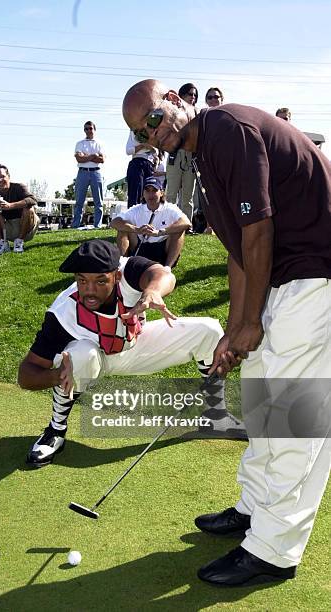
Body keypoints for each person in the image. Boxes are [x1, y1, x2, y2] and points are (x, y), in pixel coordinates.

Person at [123, 79, 331, 586]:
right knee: (261, 396)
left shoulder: (227, 128)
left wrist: (249, 322)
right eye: (140, 134)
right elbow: (239, 254)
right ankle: (254, 507)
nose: (152, 135)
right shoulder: (204, 157)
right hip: (285, 276)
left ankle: (273, 549)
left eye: (152, 119)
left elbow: (259, 232)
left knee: (292, 417)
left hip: (317, 274)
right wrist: (235, 332)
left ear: (175, 99)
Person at [19, 239, 246, 468]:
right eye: (82, 281)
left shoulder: (127, 271)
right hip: (95, 361)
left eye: (100, 281)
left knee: (209, 331)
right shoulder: (62, 314)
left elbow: (162, 274)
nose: (89, 290)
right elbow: (26, 374)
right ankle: (56, 430)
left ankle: (216, 417)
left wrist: (153, 292)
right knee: (79, 356)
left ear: (115, 275)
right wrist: (57, 375)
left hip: (135, 345)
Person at [110, 176, 190, 269]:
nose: (150, 194)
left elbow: (186, 222)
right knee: (123, 229)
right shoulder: (136, 209)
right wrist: (137, 230)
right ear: (143, 193)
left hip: (162, 249)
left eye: (154, 190)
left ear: (161, 193)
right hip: (140, 247)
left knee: (179, 231)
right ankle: (121, 267)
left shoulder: (170, 208)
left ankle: (167, 268)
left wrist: (160, 232)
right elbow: (114, 222)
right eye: (147, 190)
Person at [0, 164, 38, 255]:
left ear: (8, 176)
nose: (0, 180)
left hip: (27, 227)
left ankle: (19, 242)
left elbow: (32, 200)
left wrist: (10, 206)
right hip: (9, 228)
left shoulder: (19, 187)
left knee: (29, 209)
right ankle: (2, 243)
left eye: (2, 176)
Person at [165, 83, 198, 222]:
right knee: (171, 193)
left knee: (187, 195)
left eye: (195, 95)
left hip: (191, 156)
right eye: (190, 94)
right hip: (176, 154)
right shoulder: (173, 110)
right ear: (182, 94)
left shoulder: (198, 113)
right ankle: (167, 222)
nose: (193, 97)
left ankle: (186, 224)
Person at [71, 121, 105, 228]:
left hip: (96, 172)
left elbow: (102, 159)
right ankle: (76, 225)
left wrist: (86, 156)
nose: (88, 131)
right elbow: (79, 159)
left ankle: (97, 225)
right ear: (84, 130)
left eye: (90, 128)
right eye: (86, 129)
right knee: (79, 201)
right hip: (82, 172)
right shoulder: (80, 143)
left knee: (98, 201)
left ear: (94, 129)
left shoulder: (99, 143)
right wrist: (93, 156)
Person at [125, 130, 157, 207]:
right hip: (136, 163)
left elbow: (156, 152)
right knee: (134, 195)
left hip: (149, 165)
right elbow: (128, 151)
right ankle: (132, 218)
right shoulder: (133, 131)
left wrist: (150, 147)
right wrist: (143, 145)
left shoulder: (153, 131)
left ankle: (146, 218)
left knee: (149, 195)